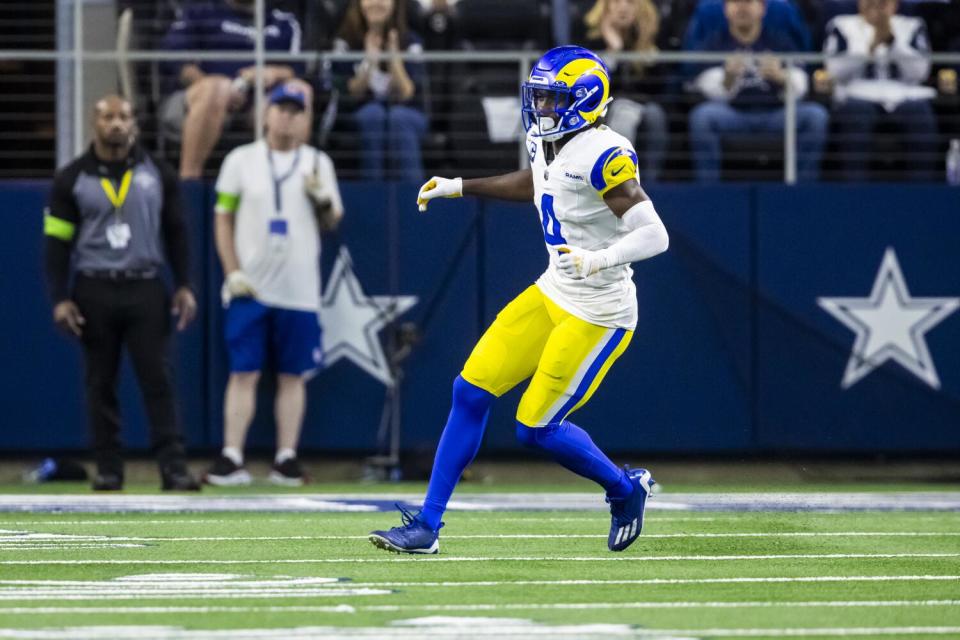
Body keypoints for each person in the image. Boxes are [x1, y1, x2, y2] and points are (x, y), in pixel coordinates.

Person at [369, 46, 667, 555]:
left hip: (599, 311)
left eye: (553, 99)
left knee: (535, 428)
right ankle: (426, 527)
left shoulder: (606, 153)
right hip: (553, 289)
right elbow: (542, 182)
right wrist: (461, 186)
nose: (542, 108)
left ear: (584, 102)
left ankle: (625, 488)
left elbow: (655, 234)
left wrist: (601, 259)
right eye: (540, 97)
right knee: (470, 391)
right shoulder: (546, 140)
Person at [43, 94, 200, 492]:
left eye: (124, 117)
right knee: (100, 383)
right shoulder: (72, 178)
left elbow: (177, 231)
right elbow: (57, 244)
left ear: (135, 124)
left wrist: (184, 285)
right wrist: (60, 297)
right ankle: (109, 469)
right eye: (108, 116)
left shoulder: (157, 172)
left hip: (145, 284)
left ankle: (173, 467)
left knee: (158, 379)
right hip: (94, 287)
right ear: (94, 123)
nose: (116, 123)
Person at [205, 83, 343, 487]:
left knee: (292, 374)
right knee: (243, 371)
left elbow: (333, 221)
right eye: (281, 109)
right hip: (252, 285)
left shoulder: (317, 162)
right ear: (265, 114)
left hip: (299, 289)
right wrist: (232, 271)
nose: (288, 116)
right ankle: (232, 456)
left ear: (305, 118)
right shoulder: (241, 160)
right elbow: (222, 218)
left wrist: (319, 198)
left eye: (296, 110)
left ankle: (286, 456)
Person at [159, 0, 308, 179]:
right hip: (197, 100)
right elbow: (175, 59)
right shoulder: (200, 13)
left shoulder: (284, 22)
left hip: (258, 103)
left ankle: (293, 181)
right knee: (216, 90)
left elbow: (299, 67)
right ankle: (189, 182)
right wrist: (214, 87)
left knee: (300, 90)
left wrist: (273, 72)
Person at [687, 0, 829, 182]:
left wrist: (781, 77)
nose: (742, 8)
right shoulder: (715, 42)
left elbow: (802, 84)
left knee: (815, 116)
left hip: (776, 115)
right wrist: (727, 79)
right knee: (703, 116)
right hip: (732, 115)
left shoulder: (779, 40)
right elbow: (703, 87)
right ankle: (707, 191)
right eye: (735, 3)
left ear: (762, 8)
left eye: (748, 2)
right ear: (725, 9)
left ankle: (803, 190)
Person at [823, 0, 938, 181]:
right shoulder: (841, 24)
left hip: (903, 95)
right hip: (858, 94)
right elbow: (834, 70)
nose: (876, 5)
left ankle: (922, 193)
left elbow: (921, 72)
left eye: (882, 2)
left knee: (920, 113)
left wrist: (893, 42)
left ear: (895, 4)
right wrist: (868, 48)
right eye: (870, 2)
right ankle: (854, 193)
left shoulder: (912, 25)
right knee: (855, 112)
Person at [333, 0, 428, 181]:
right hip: (363, 114)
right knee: (373, 115)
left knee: (399, 118)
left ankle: (415, 200)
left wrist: (393, 57)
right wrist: (370, 59)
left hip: (408, 114)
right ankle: (372, 194)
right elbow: (352, 93)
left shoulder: (411, 41)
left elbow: (407, 92)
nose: (376, 3)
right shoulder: (346, 41)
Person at [581, 0, 670, 182]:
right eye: (616, 2)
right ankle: (619, 181)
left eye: (630, 2)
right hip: (605, 106)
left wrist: (646, 53)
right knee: (622, 112)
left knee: (655, 115)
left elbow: (658, 86)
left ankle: (650, 183)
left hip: (643, 103)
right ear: (605, 7)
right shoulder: (590, 39)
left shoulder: (651, 37)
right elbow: (593, 88)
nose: (623, 7)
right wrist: (614, 50)